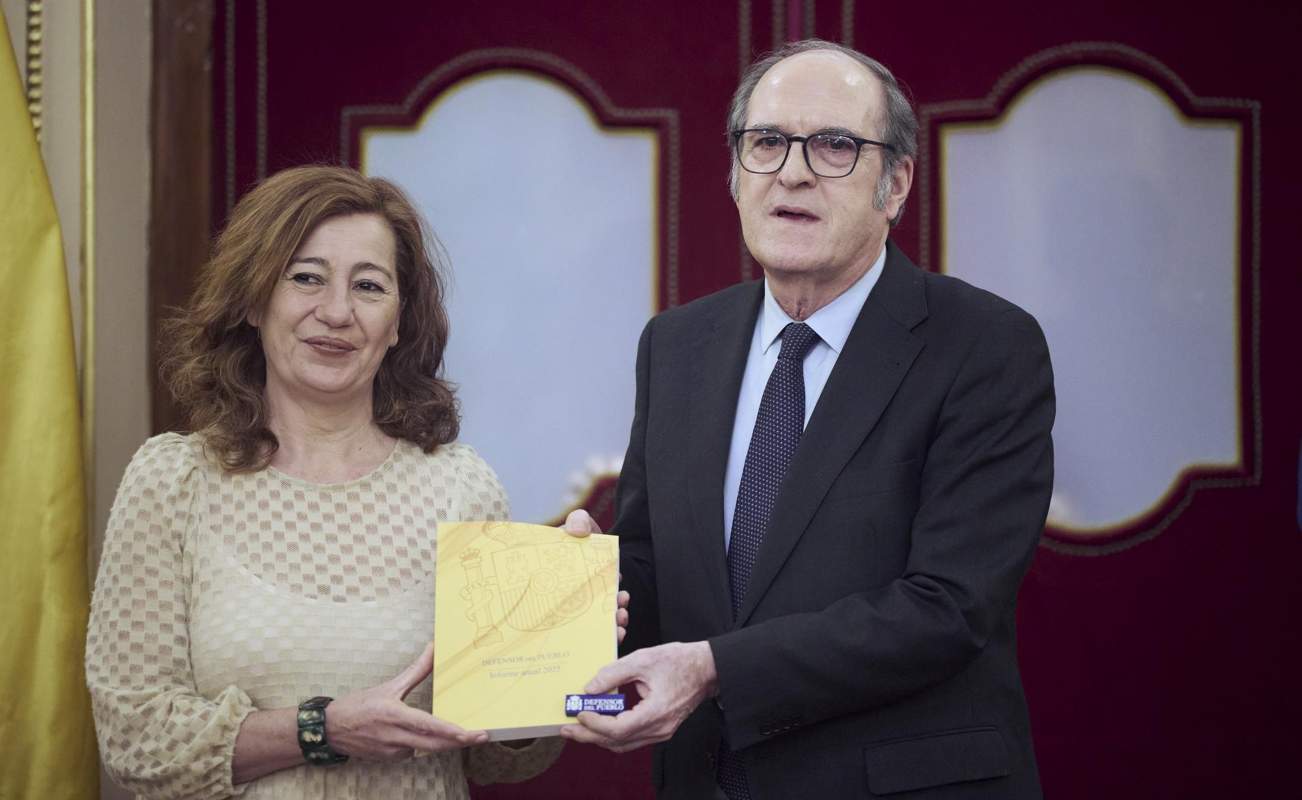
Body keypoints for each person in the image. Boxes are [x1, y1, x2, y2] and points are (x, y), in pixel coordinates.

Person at [561, 39, 1055, 799]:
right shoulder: (677, 345)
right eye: (766, 143)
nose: (792, 170)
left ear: (895, 185)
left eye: (833, 145)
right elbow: (660, 565)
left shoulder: (985, 346)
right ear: (734, 176)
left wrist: (716, 668)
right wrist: (584, 591)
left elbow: (949, 605)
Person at [86, 165, 564, 799]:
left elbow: (502, 756)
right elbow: (135, 741)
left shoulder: (461, 488)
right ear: (255, 300)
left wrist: (559, 641)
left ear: (398, 323)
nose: (337, 312)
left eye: (368, 286)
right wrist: (323, 730)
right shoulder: (173, 482)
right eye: (306, 278)